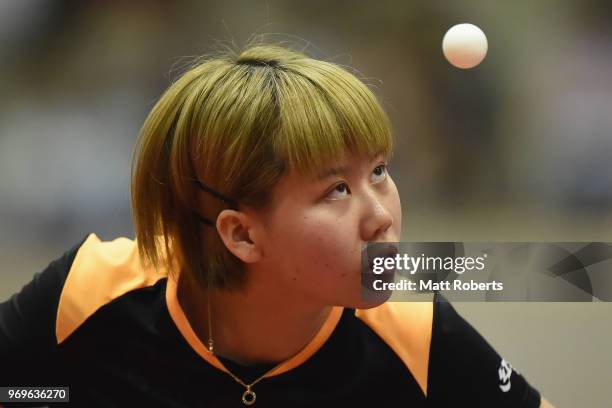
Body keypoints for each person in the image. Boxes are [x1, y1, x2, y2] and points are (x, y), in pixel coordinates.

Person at [0, 43, 553, 407]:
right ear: (241, 234)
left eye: (380, 172)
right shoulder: (90, 293)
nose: (382, 217)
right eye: (336, 190)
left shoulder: (416, 334)